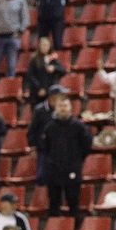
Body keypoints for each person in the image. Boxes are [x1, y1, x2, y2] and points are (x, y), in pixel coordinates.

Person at [37, 91, 92, 220]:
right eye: (60, 106)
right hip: (54, 170)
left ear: (70, 107)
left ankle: (74, 227)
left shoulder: (79, 126)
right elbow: (46, 147)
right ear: (56, 108)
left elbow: (87, 145)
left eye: (65, 106)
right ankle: (54, 228)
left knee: (73, 202)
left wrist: (77, 160)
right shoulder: (49, 128)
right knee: (54, 203)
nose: (63, 109)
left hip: (73, 169)